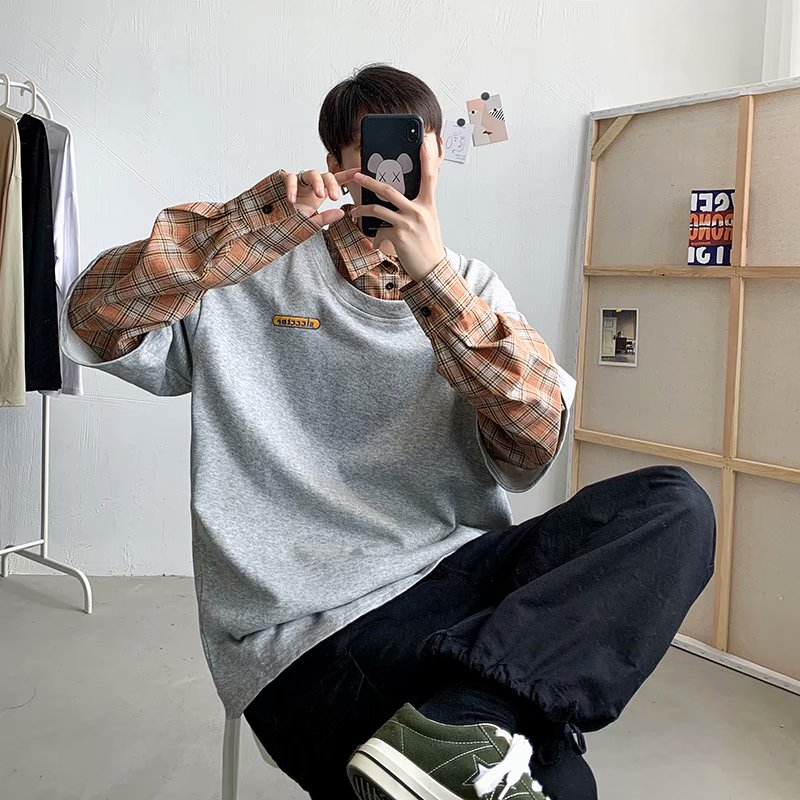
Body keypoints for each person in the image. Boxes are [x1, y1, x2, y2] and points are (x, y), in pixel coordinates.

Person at [61, 64, 716, 800]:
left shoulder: (472, 287)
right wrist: (250, 225)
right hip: (307, 633)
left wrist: (433, 280)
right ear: (337, 162)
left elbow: (532, 446)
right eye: (370, 149)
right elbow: (94, 316)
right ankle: (469, 725)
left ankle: (471, 717)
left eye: (415, 145)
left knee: (674, 505)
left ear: (436, 155)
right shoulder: (244, 274)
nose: (396, 167)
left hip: (455, 586)